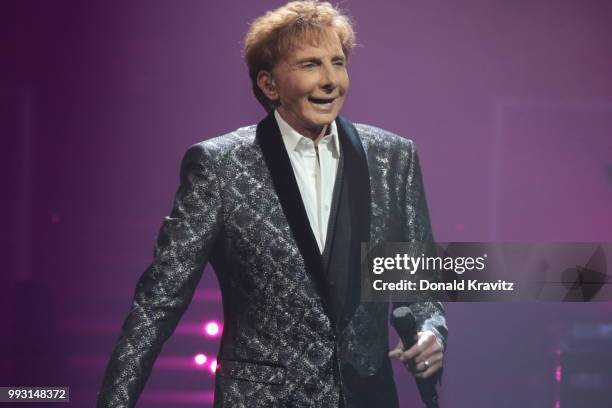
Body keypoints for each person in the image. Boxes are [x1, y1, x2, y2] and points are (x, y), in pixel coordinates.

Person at [96, 1, 447, 407]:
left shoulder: (393, 158)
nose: (331, 80)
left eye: (338, 62)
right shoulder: (220, 166)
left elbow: (417, 283)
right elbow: (159, 300)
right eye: (311, 64)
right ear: (269, 84)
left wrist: (430, 331)